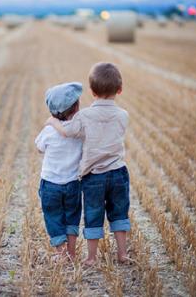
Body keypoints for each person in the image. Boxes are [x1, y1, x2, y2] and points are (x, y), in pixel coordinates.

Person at [46, 62, 130, 265]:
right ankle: (122, 253)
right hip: (118, 172)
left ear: (92, 92)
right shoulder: (123, 115)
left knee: (93, 215)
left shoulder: (84, 116)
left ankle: (91, 257)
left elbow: (67, 132)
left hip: (94, 176)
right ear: (120, 90)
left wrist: (53, 122)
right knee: (119, 213)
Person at [35, 82, 83, 259]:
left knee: (53, 217)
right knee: (72, 216)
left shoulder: (48, 131)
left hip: (50, 184)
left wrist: (51, 124)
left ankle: (61, 254)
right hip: (73, 183)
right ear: (76, 108)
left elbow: (39, 147)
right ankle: (71, 252)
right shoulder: (79, 131)